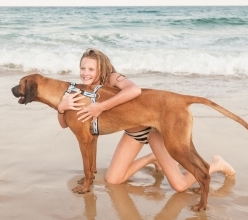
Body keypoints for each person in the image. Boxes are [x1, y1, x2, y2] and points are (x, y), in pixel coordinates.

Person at [57, 48, 235, 193]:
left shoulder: (112, 78)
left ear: (101, 69)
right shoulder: (81, 90)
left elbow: (134, 90)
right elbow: (66, 125)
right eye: (82, 68)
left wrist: (101, 107)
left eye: (90, 69)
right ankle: (152, 158)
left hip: (153, 129)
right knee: (113, 180)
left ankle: (216, 164)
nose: (85, 73)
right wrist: (61, 108)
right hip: (133, 134)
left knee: (179, 186)